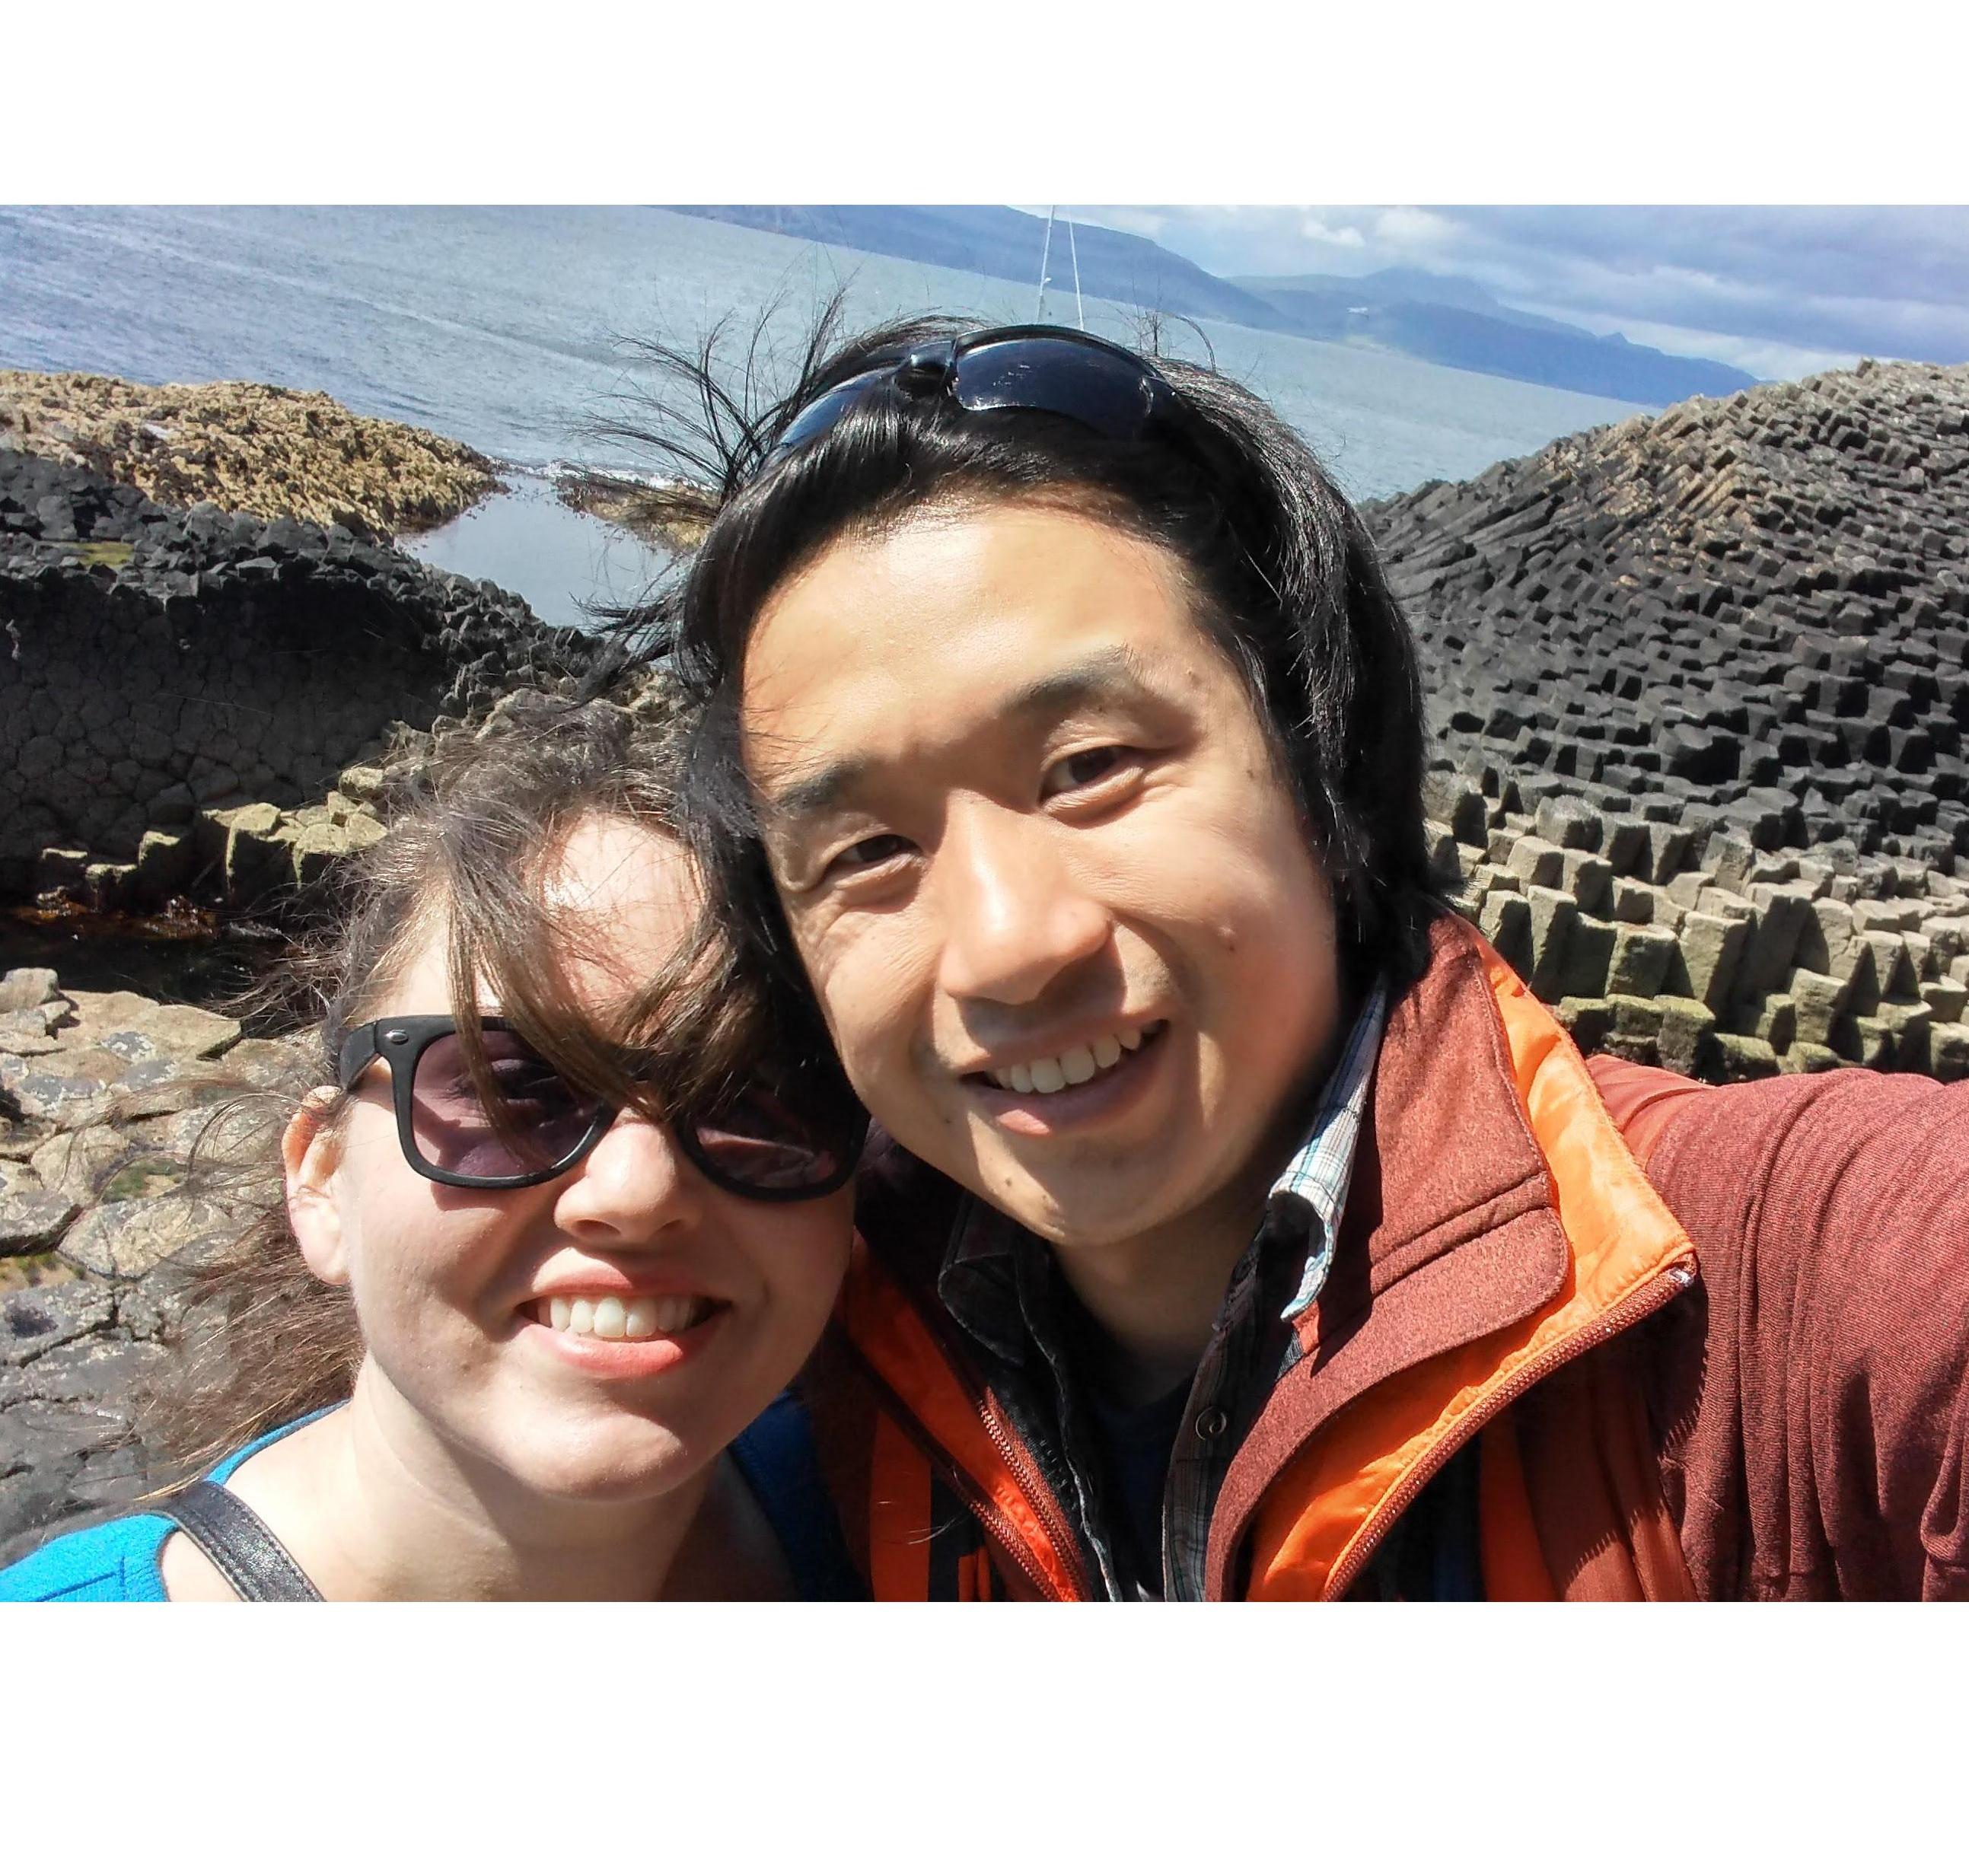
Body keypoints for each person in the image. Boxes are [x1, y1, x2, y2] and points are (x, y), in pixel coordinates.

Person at [638, 315, 1969, 1600]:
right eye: (867, 851)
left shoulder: (1751, 1290)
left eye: (1091, 766)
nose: (1005, 948)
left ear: (1321, 771)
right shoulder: (798, 1371)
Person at [0, 692, 866, 1601]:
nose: (638, 1190)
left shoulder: (904, 1497)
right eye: (512, 1089)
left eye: (758, 1098)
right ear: (321, 1180)